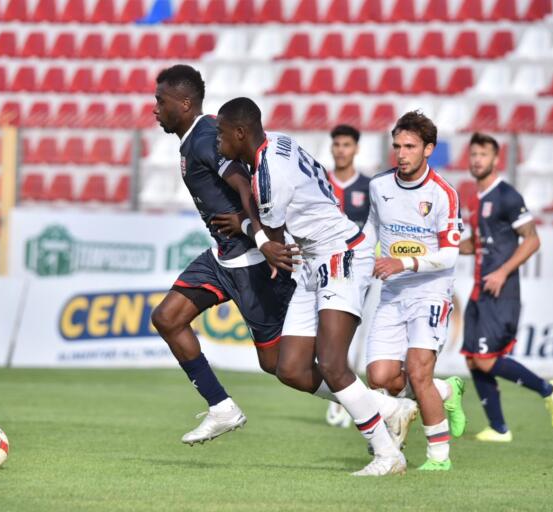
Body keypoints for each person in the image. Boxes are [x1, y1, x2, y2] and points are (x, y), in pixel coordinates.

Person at [215, 97, 417, 477]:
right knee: (289, 367)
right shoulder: (278, 141)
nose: (219, 143)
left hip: (338, 256)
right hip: (314, 259)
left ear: (240, 133)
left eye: (223, 136)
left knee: (332, 362)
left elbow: (273, 242)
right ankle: (389, 408)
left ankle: (387, 455)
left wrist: (242, 224)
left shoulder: (269, 178)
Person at [149, 65, 296, 446]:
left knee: (280, 366)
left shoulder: (204, 138)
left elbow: (244, 184)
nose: (154, 108)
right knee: (167, 318)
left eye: (160, 100)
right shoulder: (197, 138)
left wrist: (259, 236)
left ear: (183, 103)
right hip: (222, 258)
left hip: (250, 263)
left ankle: (372, 405)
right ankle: (221, 408)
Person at [363, 110, 467, 471]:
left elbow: (450, 256)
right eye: (397, 146)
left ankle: (439, 458)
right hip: (393, 293)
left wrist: (402, 262)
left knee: (419, 372)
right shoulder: (379, 186)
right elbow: (371, 232)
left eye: (410, 146)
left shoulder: (443, 194)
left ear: (428, 149)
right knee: (379, 377)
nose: (401, 153)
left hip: (431, 291)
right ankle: (445, 392)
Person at [459, 132, 553, 442]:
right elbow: (476, 244)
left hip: (500, 290)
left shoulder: (507, 196)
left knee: (485, 358)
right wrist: (444, 246)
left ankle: (548, 389)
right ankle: (498, 428)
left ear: (496, 159)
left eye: (483, 154)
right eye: (474, 154)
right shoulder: (476, 199)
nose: (477, 160)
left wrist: (503, 272)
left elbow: (532, 239)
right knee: (471, 358)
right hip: (480, 289)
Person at [324, 124, 372, 428]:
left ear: (355, 149)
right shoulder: (320, 182)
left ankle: (348, 402)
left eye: (346, 144)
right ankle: (342, 399)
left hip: (360, 271)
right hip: (323, 270)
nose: (341, 149)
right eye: (337, 144)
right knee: (327, 341)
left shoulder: (368, 187)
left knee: (353, 340)